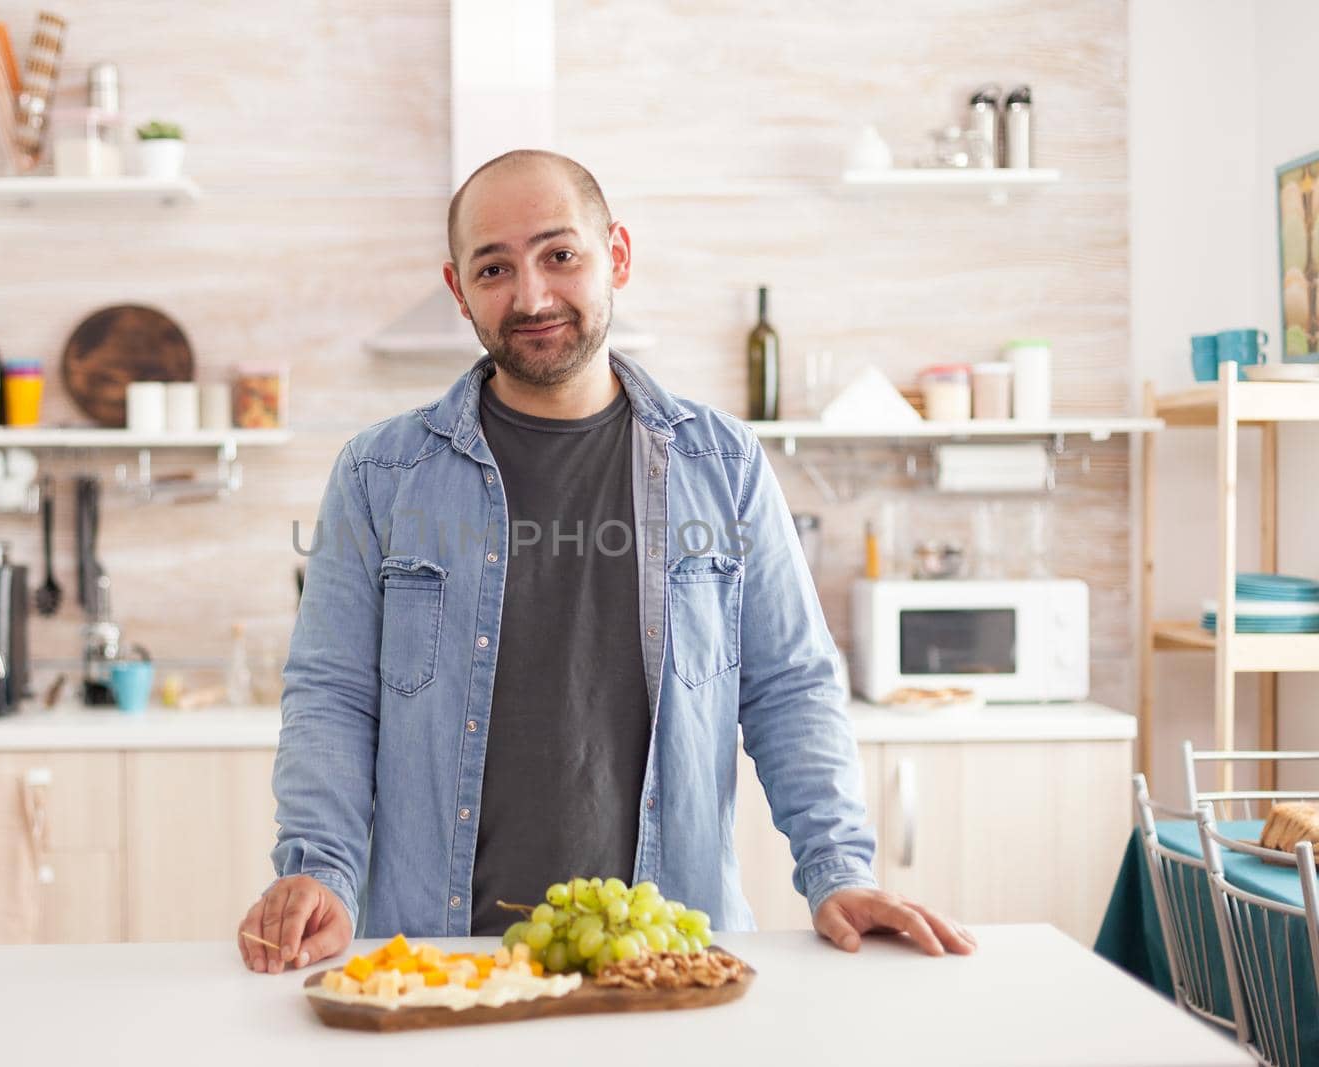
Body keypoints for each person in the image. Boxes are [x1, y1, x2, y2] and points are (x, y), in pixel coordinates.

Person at [239, 149, 975, 974]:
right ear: (459, 290)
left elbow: (789, 685)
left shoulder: (723, 464)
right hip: (438, 960)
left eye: (560, 254)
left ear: (616, 255)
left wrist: (838, 869)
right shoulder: (379, 474)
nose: (531, 296)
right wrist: (318, 868)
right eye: (494, 268)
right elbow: (333, 695)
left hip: (669, 956)